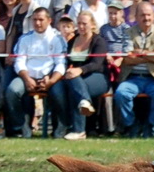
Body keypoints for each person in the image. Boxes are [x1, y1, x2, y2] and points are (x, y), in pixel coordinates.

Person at [47, 9, 111, 139]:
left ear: (92, 24)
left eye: (85, 23)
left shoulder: (99, 41)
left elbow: (96, 64)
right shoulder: (72, 41)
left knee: (75, 85)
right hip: (74, 78)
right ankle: (64, 123)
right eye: (79, 23)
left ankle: (79, 129)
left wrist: (80, 70)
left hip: (97, 77)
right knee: (56, 88)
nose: (81, 26)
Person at [5, 4, 65, 137]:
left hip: (50, 77)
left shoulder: (57, 38)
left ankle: (62, 125)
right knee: (12, 91)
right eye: (35, 20)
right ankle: (22, 126)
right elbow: (19, 62)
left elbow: (60, 64)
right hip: (27, 77)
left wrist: (51, 80)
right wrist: (27, 79)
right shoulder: (25, 38)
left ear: (49, 21)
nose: (37, 23)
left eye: (41, 20)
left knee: (60, 93)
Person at [114, 1, 154, 136]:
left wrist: (140, 53)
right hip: (132, 78)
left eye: (149, 15)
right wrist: (152, 53)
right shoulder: (128, 32)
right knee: (121, 94)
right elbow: (127, 58)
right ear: (136, 17)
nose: (146, 18)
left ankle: (151, 125)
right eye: (142, 15)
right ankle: (131, 125)